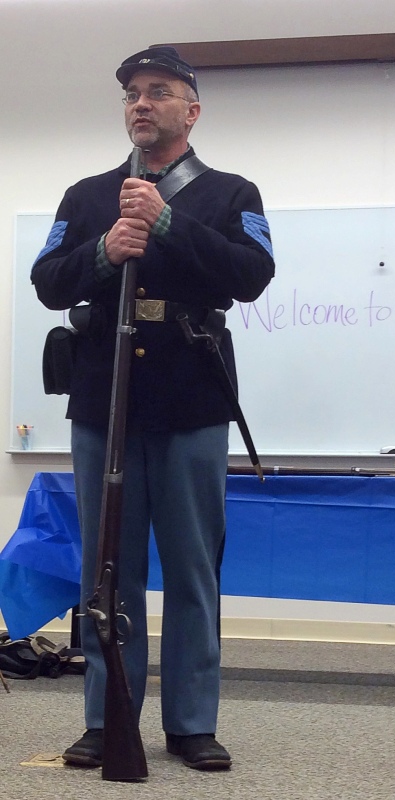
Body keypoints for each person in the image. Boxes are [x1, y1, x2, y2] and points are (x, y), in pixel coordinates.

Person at [31, 45, 275, 771]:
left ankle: (192, 723)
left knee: (193, 569)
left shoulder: (232, 193)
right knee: (106, 571)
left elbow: (253, 274)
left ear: (191, 111)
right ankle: (109, 717)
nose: (141, 103)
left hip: (192, 400)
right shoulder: (86, 196)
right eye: (132, 93)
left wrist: (167, 223)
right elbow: (48, 280)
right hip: (102, 400)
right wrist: (104, 251)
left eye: (158, 91)